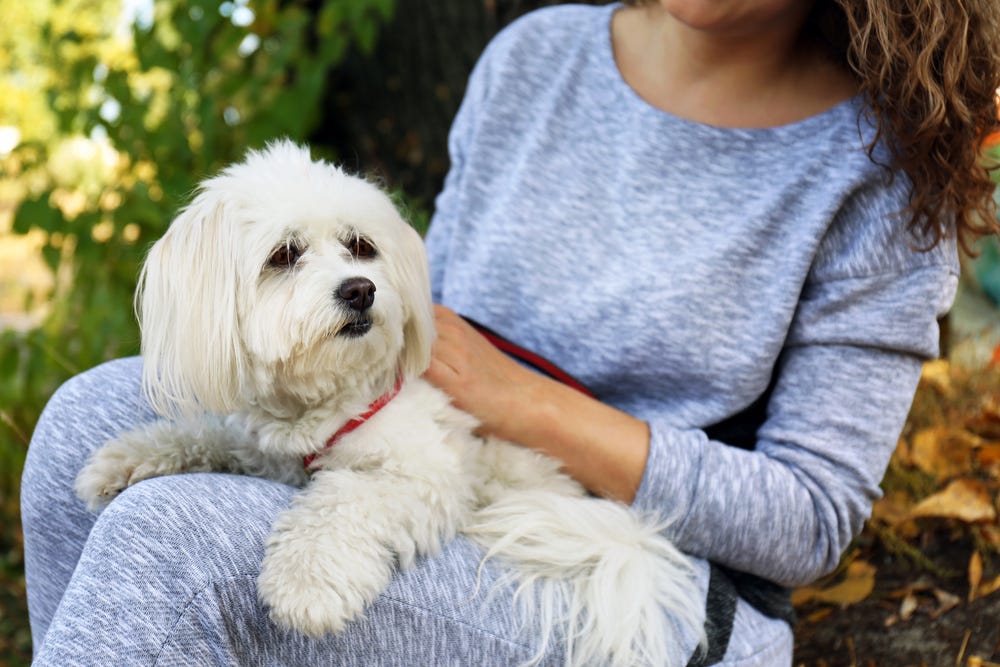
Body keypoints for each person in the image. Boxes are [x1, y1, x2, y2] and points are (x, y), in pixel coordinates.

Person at [22, 0, 1000, 664]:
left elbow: (809, 520)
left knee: (173, 538)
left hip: (638, 582)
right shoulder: (535, 57)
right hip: (437, 467)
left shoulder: (878, 168)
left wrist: (522, 401)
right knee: (83, 421)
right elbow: (406, 321)